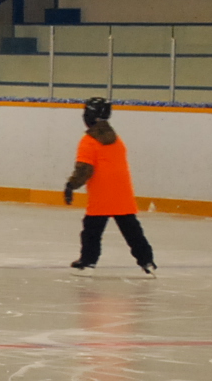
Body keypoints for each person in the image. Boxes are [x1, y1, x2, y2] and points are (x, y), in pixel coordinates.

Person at [63, 97, 156, 275]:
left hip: (102, 195)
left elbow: (84, 170)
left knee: (91, 230)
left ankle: (88, 260)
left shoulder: (89, 141)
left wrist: (70, 186)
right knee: (132, 230)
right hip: (122, 194)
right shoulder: (116, 140)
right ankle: (147, 260)